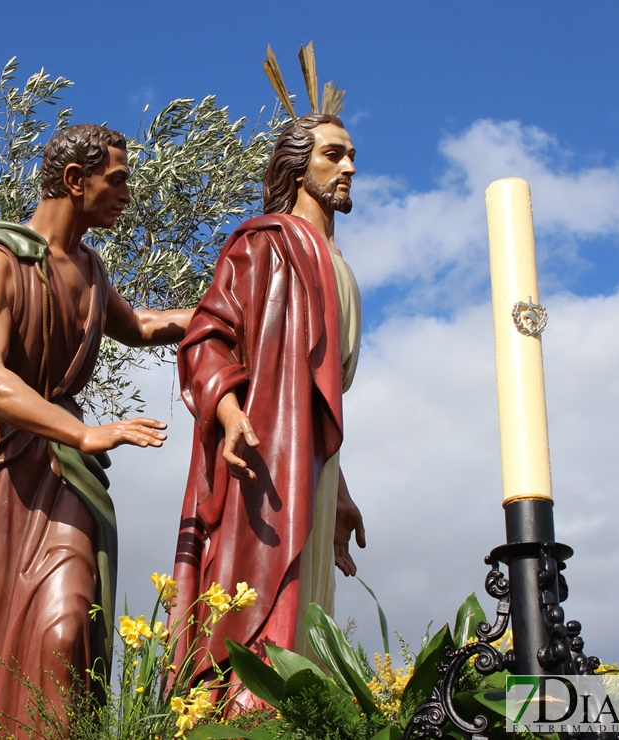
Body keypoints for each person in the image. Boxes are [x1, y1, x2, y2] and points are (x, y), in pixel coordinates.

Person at [0, 123, 192, 736]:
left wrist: (229, 309)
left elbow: (146, 326)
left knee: (69, 625)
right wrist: (84, 433)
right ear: (76, 181)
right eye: (119, 180)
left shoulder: (91, 269)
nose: (128, 194)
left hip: (62, 474)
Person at [171, 114, 366, 696]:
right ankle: (239, 718)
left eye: (353, 155)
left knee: (308, 621)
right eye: (334, 154)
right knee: (259, 603)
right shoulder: (265, 242)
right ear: (298, 164)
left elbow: (317, 401)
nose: (350, 167)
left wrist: (339, 490)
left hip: (310, 468)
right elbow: (208, 335)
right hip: (261, 455)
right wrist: (229, 414)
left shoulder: (342, 271)